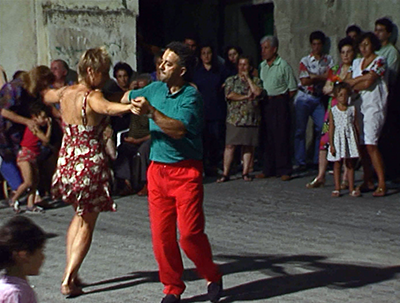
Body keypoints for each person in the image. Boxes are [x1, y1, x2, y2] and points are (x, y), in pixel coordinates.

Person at [126, 41, 222, 303]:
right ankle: (172, 288)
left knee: (189, 235)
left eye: (168, 63)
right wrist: (97, 97)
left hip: (186, 172)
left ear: (181, 70)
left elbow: (178, 130)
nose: (161, 66)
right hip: (157, 172)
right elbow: (126, 97)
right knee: (161, 238)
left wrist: (151, 112)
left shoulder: (191, 97)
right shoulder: (155, 88)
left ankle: (212, 275)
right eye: (161, 61)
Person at [43, 47, 134, 296]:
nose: (105, 78)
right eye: (103, 72)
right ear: (91, 70)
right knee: (87, 222)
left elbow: (48, 95)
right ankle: (68, 279)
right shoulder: (90, 96)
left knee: (78, 216)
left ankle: (70, 273)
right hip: (88, 163)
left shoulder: (66, 92)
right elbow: (106, 108)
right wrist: (130, 107)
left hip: (68, 161)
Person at [307, 37, 356, 189]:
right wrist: (338, 88)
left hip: (347, 110)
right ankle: (320, 175)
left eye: (348, 52)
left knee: (346, 142)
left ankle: (345, 178)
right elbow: (326, 89)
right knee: (325, 141)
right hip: (332, 110)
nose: (345, 55)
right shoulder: (335, 69)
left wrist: (336, 87)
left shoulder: (356, 68)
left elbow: (348, 90)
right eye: (342, 52)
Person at [0, 66, 55, 201]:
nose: (45, 87)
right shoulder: (14, 88)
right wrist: (27, 122)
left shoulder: (32, 92)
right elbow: (4, 111)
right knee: (9, 157)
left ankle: (32, 192)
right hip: (4, 130)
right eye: (45, 83)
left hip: (19, 131)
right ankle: (18, 190)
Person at [345, 32, 388, 197]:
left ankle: (382, 183)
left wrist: (355, 82)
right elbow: (346, 81)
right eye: (361, 45)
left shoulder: (380, 60)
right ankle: (368, 179)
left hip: (374, 106)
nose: (363, 48)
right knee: (362, 145)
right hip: (358, 106)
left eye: (367, 45)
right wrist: (358, 80)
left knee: (371, 144)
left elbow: (369, 82)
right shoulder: (356, 62)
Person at [255, 36, 297, 181]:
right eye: (262, 48)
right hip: (266, 102)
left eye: (266, 48)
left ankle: (284, 169)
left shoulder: (283, 65)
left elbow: (292, 88)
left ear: (274, 49)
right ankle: (267, 168)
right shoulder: (261, 66)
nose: (263, 51)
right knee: (267, 136)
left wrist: (282, 100)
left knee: (281, 136)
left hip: (280, 102)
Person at [217, 55, 263, 182]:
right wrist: (245, 97)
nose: (242, 67)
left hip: (251, 118)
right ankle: (226, 173)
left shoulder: (256, 81)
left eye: (245, 65)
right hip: (235, 118)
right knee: (230, 145)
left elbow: (257, 92)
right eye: (240, 65)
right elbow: (230, 94)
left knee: (248, 146)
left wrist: (248, 78)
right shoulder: (231, 80)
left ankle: (245, 172)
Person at [294, 31, 334, 171]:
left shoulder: (328, 60)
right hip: (304, 96)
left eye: (318, 44)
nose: (316, 47)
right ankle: (300, 161)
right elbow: (304, 80)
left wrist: (315, 76)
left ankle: (319, 159)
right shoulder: (305, 61)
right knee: (300, 130)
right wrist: (321, 76)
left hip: (318, 98)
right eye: (314, 44)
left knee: (323, 128)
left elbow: (331, 77)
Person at [9, 102, 52, 213]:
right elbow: (46, 140)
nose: (44, 120)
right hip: (25, 155)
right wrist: (50, 127)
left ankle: (30, 204)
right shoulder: (34, 127)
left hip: (33, 155)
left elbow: (45, 144)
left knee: (34, 183)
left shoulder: (38, 127)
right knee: (28, 181)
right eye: (42, 117)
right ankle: (14, 199)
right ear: (34, 117)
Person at [193, 44, 227, 176]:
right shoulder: (197, 72)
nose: (206, 56)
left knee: (216, 140)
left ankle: (213, 166)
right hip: (202, 111)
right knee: (203, 141)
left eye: (208, 53)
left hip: (216, 110)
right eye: (203, 53)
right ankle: (202, 166)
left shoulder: (219, 70)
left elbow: (227, 80)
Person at [0, 216, 46, 303]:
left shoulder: (7, 285)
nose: (43, 257)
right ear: (24, 255)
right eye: (41, 251)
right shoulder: (16, 293)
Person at [327, 82, 360, 197]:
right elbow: (331, 127)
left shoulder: (352, 109)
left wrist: (357, 140)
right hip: (338, 139)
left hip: (349, 138)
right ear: (336, 96)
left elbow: (356, 125)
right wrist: (331, 144)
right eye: (340, 95)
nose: (343, 98)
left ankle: (351, 188)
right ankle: (337, 188)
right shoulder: (334, 110)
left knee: (350, 164)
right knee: (337, 164)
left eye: (345, 95)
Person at [374, 17, 400, 87]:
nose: (377, 33)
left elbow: (391, 77)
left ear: (388, 34)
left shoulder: (392, 51)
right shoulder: (372, 48)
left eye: (381, 31)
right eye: (376, 30)